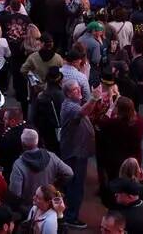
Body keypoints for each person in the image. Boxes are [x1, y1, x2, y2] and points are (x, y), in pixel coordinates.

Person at [8, 128, 73, 210]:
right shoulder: (51, 157)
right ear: (37, 141)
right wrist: (55, 185)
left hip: (29, 208)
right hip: (48, 205)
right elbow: (69, 173)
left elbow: (15, 194)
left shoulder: (18, 165)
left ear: (22, 144)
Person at [59, 79, 94, 230]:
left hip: (77, 150)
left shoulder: (73, 103)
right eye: (74, 90)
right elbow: (82, 112)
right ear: (67, 93)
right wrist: (94, 98)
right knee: (76, 185)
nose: (79, 91)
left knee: (73, 185)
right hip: (75, 153)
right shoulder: (71, 107)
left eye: (79, 88)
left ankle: (68, 212)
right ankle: (71, 217)